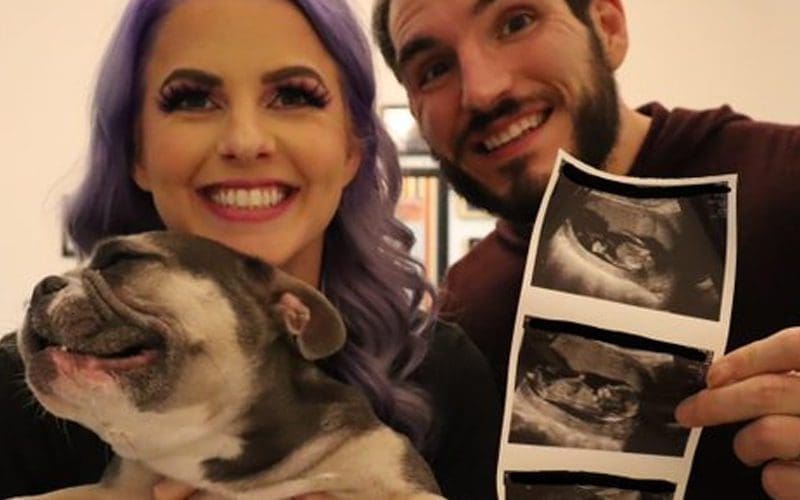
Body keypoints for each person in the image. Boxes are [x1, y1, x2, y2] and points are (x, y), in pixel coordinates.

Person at [0, 1, 501, 499]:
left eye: (292, 96)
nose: (244, 140)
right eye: (194, 99)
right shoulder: (19, 392)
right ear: (139, 152)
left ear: (353, 149)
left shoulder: (443, 374)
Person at [371, 0, 800, 498]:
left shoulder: (789, 179)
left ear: (608, 26)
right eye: (434, 69)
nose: (483, 91)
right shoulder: (465, 307)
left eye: (516, 22)